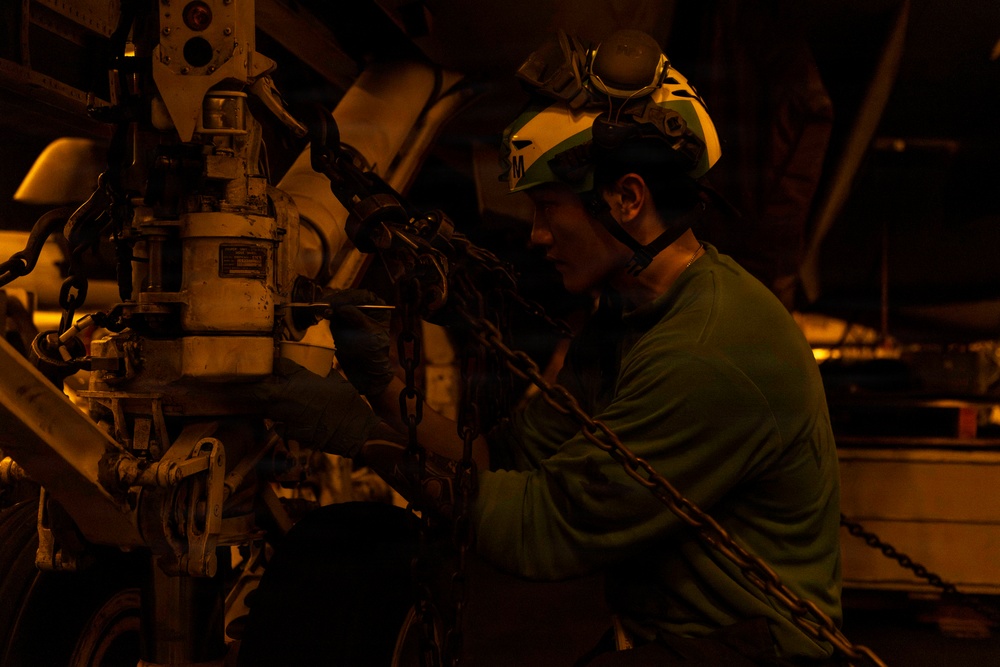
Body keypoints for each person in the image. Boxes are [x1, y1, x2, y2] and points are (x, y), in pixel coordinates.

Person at [252, 29, 843, 666]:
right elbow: (503, 461)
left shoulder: (708, 347)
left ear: (627, 199)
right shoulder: (628, 320)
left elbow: (538, 529)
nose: (534, 234)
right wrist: (386, 391)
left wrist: (359, 435)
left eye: (549, 207)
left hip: (759, 652)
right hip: (667, 635)